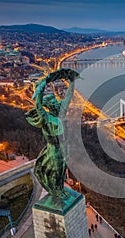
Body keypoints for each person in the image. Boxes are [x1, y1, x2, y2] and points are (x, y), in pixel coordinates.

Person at [25, 69, 80, 199]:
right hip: (54, 148)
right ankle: (56, 190)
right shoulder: (46, 118)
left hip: (64, 145)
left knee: (63, 168)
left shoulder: (61, 112)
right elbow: (38, 106)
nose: (57, 103)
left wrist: (72, 82)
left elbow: (68, 97)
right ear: (49, 105)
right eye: (54, 102)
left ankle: (59, 188)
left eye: (56, 101)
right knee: (57, 168)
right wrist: (40, 89)